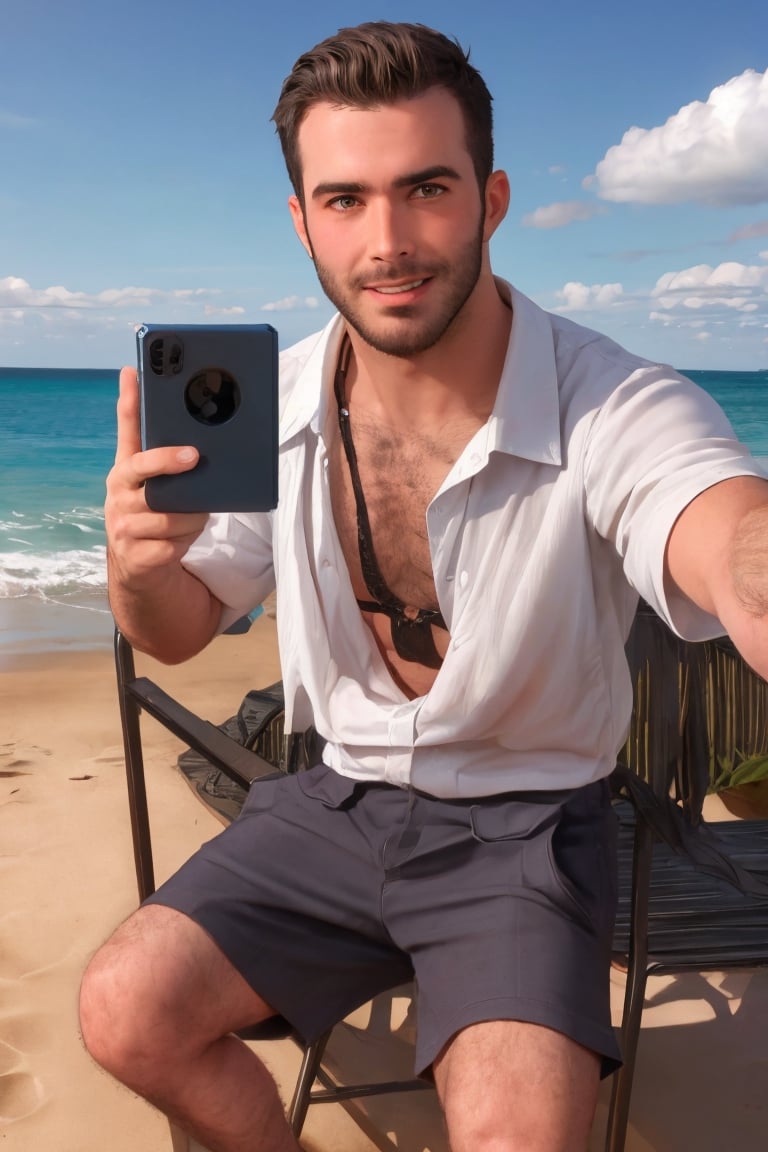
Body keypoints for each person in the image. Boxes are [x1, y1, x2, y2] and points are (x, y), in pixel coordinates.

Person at [79, 21, 768, 1152]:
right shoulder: (287, 403)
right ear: (302, 219)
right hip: (335, 803)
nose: (388, 241)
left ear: (491, 198)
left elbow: (723, 531)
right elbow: (176, 635)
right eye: (345, 200)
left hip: (529, 825)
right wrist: (136, 567)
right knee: (123, 1011)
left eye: (426, 189)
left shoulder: (614, 403)